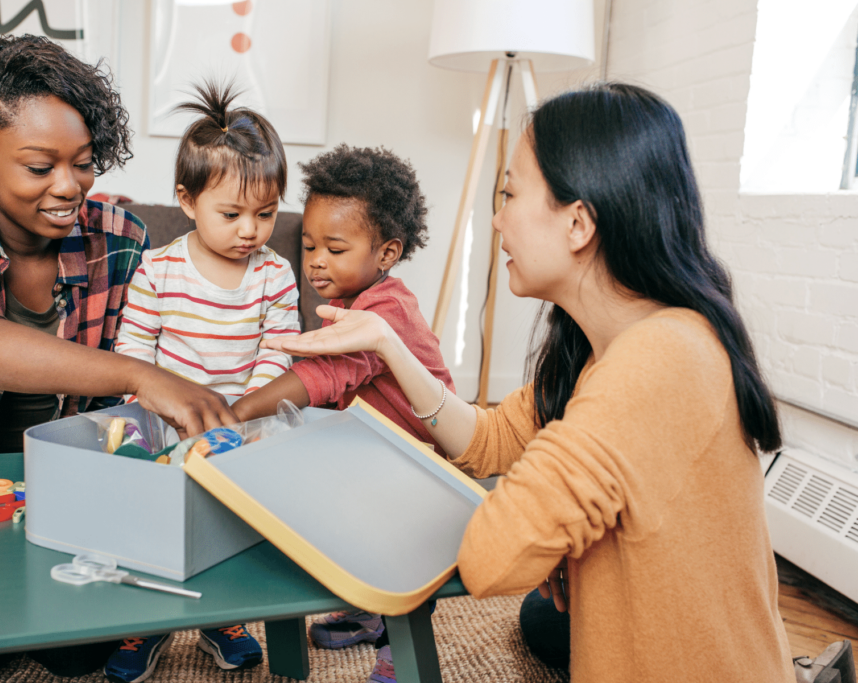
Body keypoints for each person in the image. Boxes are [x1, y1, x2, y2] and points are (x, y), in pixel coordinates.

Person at [261, 83, 795, 683]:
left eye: (511, 193)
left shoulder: (660, 359)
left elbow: (493, 557)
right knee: (543, 618)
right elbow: (487, 442)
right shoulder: (602, 346)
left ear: (578, 223)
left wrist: (545, 535)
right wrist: (388, 343)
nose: (496, 217)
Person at [0, 34, 235, 679]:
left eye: (83, 161)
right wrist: (141, 375)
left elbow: (169, 340)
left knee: (80, 655)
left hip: (70, 490)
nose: (69, 185)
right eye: (39, 167)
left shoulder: (120, 235)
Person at [231, 144, 454, 672]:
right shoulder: (357, 299)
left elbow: (321, 375)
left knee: (393, 549)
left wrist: (234, 412)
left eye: (335, 248)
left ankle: (398, 647)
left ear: (387, 253)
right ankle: (366, 610)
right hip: (375, 449)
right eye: (308, 246)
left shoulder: (385, 311)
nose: (315, 261)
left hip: (424, 467)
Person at [109, 81, 298, 681]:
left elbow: (280, 352)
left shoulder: (275, 274)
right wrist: (159, 414)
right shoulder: (159, 269)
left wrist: (243, 416)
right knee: (153, 526)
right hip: (164, 431)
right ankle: (145, 620)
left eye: (266, 214)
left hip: (241, 431)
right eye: (232, 213)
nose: (250, 230)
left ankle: (225, 617)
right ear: (187, 202)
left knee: (229, 532)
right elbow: (134, 353)